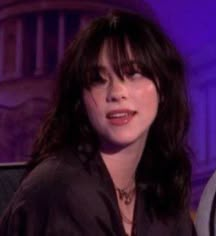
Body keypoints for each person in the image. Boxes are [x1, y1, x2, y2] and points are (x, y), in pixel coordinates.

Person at [0, 10, 196, 236]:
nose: (116, 93)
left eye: (133, 74)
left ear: (163, 88)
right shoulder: (62, 190)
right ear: (80, 99)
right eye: (98, 79)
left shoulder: (161, 187)